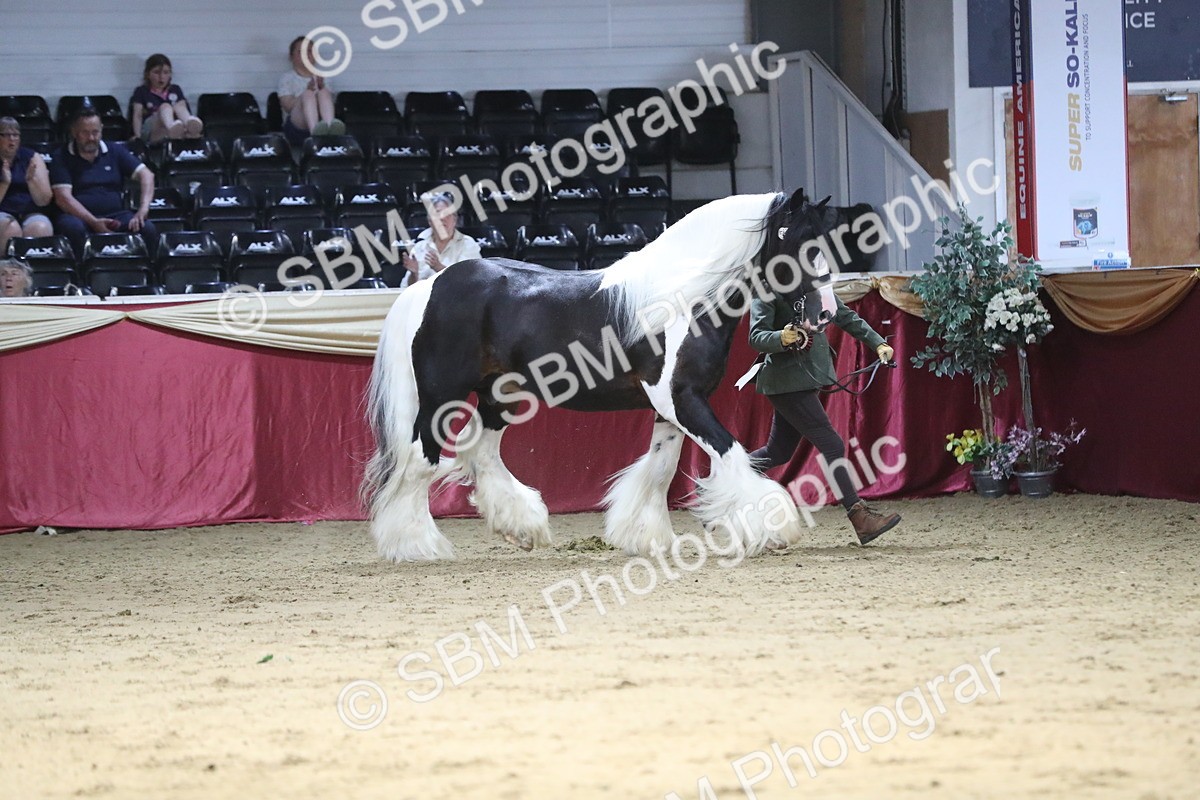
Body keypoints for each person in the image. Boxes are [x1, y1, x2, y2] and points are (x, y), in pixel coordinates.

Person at [747, 289, 902, 545]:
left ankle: (722, 479)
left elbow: (843, 314)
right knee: (832, 445)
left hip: (808, 376)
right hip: (786, 382)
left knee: (778, 452)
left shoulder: (814, 283)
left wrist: (878, 342)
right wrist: (780, 337)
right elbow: (756, 336)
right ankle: (859, 517)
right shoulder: (768, 287)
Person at [50, 107, 156, 259]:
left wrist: (143, 208)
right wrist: (93, 222)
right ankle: (81, 271)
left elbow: (147, 175)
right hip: (77, 217)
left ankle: (146, 269)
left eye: (95, 132)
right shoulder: (61, 156)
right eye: (85, 132)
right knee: (73, 228)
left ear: (101, 130)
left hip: (116, 214)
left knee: (147, 228)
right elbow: (63, 198)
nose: (91, 137)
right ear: (74, 132)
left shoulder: (114, 150)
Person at [401, 193, 481, 288]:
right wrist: (414, 274)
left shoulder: (468, 245)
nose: (442, 218)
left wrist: (439, 267)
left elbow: (469, 283)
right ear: (430, 221)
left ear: (454, 220)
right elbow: (407, 288)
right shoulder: (420, 247)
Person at [0, 117, 54, 254]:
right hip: (3, 211)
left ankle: (35, 268)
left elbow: (44, 201)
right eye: (6, 135)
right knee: (10, 229)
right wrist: (5, 183)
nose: (12, 139)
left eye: (15, 135)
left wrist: (31, 182)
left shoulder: (32, 157)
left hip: (29, 211)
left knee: (40, 228)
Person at [279, 35, 345, 145]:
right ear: (291, 56)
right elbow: (288, 107)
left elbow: (330, 105)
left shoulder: (323, 77)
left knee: (323, 92)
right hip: (296, 127)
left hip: (321, 120)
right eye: (301, 52)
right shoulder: (287, 78)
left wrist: (321, 88)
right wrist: (307, 91)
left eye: (309, 51)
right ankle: (315, 135)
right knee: (308, 95)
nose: (306, 55)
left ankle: (329, 131)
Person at [130, 53, 204, 143]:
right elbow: (137, 115)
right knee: (165, 107)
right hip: (153, 129)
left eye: (166, 73)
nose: (161, 77)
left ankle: (189, 123)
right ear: (148, 74)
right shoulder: (141, 91)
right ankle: (171, 128)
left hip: (179, 126)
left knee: (179, 106)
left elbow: (183, 107)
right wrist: (137, 136)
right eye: (156, 72)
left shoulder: (175, 89)